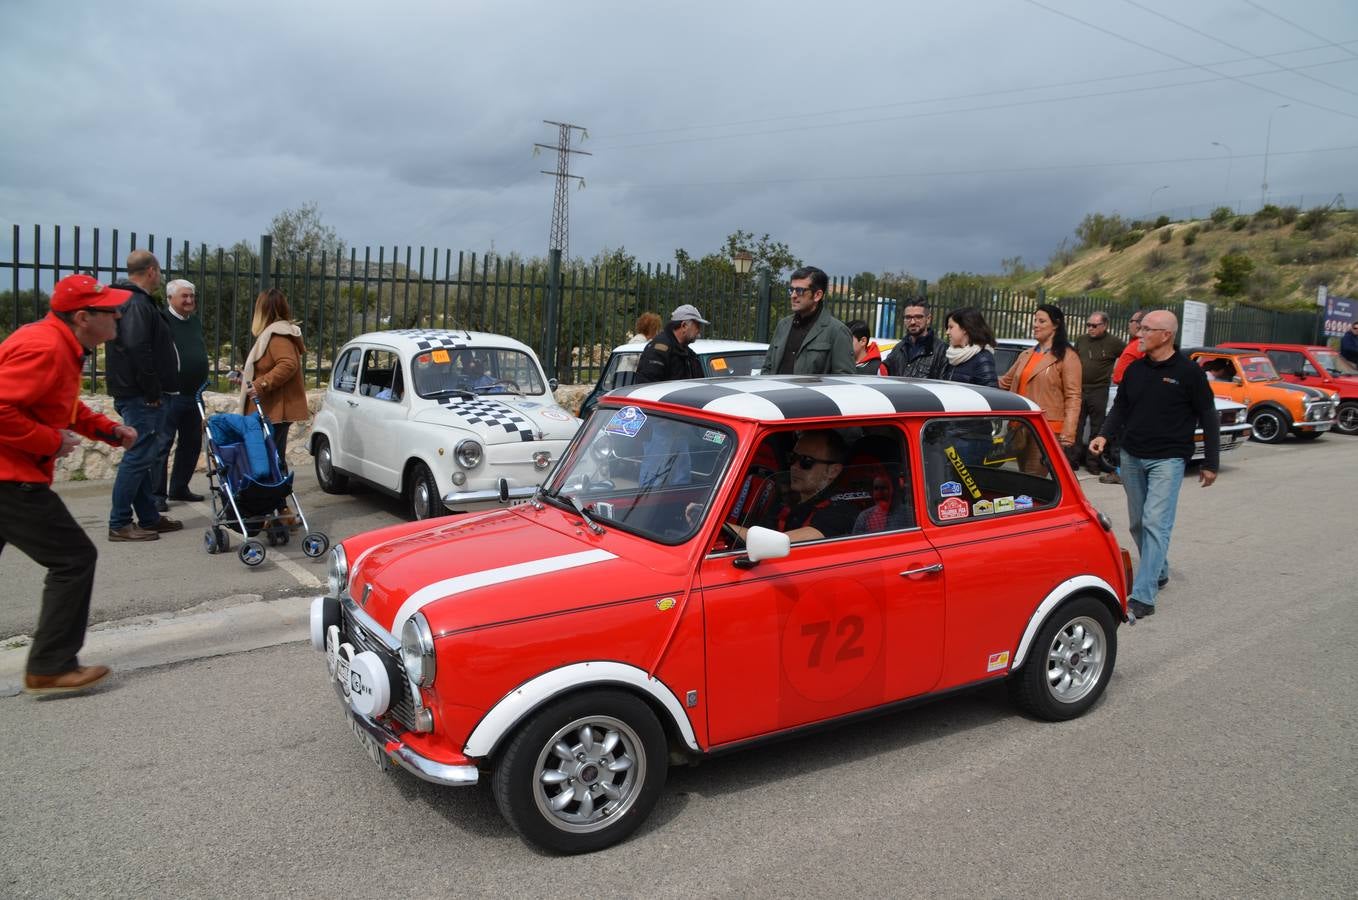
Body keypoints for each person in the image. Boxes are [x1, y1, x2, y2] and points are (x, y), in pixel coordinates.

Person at [0, 274, 138, 695]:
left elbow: (60, 403)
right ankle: (50, 666)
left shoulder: (58, 343)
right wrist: (50, 441)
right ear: (82, 317)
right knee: (73, 560)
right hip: (10, 479)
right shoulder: (45, 347)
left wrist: (109, 431)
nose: (117, 314)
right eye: (109, 309)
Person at [1089, 310, 1219, 621]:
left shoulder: (1189, 373)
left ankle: (1144, 596)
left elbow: (1208, 415)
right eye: (1140, 328)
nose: (1140, 334)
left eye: (1147, 329)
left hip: (1168, 460)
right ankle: (1158, 570)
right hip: (1132, 456)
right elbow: (1121, 407)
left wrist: (1211, 462)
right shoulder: (1135, 370)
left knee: (1155, 524)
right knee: (1137, 523)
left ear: (1166, 335)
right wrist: (1104, 435)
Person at [106, 250, 182, 541]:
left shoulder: (129, 300)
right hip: (141, 395)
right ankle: (120, 522)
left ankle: (148, 517)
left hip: (135, 391)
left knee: (140, 457)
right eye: (159, 271)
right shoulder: (136, 302)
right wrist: (152, 390)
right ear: (151, 271)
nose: (160, 276)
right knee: (138, 458)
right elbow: (138, 347)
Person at [241, 288, 308, 527]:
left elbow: (288, 364)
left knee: (272, 460)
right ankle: (279, 509)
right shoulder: (276, 333)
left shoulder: (277, 335)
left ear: (262, 309)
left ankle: (280, 510)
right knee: (273, 459)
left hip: (275, 411)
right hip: (273, 409)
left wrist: (261, 384)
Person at [730, 430, 857, 543]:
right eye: (793, 458)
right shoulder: (785, 499)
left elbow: (774, 544)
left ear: (833, 471)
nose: (794, 467)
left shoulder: (840, 511)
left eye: (806, 461)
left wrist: (722, 527)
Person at [998, 304, 1082, 469]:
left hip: (1047, 430)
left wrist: (1068, 434)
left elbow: (1073, 397)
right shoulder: (1026, 355)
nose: (1035, 325)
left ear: (1056, 324)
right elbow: (1004, 383)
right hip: (1020, 426)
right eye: (1035, 320)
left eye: (1041, 321)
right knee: (1023, 478)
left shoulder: (1068, 356)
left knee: (1035, 478)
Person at [154, 279, 208, 507]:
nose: (189, 300)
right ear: (170, 299)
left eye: (191, 296)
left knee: (192, 442)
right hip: (170, 395)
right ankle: (156, 496)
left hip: (194, 395)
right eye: (183, 296)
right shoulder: (162, 321)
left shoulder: (194, 322)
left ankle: (179, 487)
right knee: (162, 445)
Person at [762, 266, 856, 376]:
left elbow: (844, 380)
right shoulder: (783, 325)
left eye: (800, 290)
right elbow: (767, 368)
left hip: (812, 393)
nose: (793, 295)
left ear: (817, 295)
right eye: (791, 290)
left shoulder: (837, 331)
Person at [1100, 309, 1149, 484]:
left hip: (1129, 395)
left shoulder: (1140, 346)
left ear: (1140, 323)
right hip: (1125, 392)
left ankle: (1120, 472)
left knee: (1120, 437)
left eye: (1131, 320)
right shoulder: (1135, 344)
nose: (1129, 324)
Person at [1073, 310, 1120, 476]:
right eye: (1088, 325)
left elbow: (1128, 357)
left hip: (1099, 390)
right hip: (1080, 388)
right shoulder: (1082, 340)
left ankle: (1093, 462)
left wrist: (1119, 374)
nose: (1090, 328)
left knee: (1097, 427)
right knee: (1076, 426)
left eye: (1094, 325)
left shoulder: (1114, 342)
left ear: (1105, 325)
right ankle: (1074, 459)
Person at [634, 304, 706, 384]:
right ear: (684, 325)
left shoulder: (689, 354)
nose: (699, 331)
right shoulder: (659, 350)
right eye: (697, 326)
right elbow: (648, 385)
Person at [934, 306, 997, 386]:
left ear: (964, 328)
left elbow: (990, 393)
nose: (947, 332)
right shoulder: (951, 355)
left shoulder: (982, 359)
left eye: (951, 327)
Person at [882, 301, 946, 378]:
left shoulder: (941, 350)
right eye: (908, 317)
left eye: (918, 317)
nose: (912, 322)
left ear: (928, 319)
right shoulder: (899, 348)